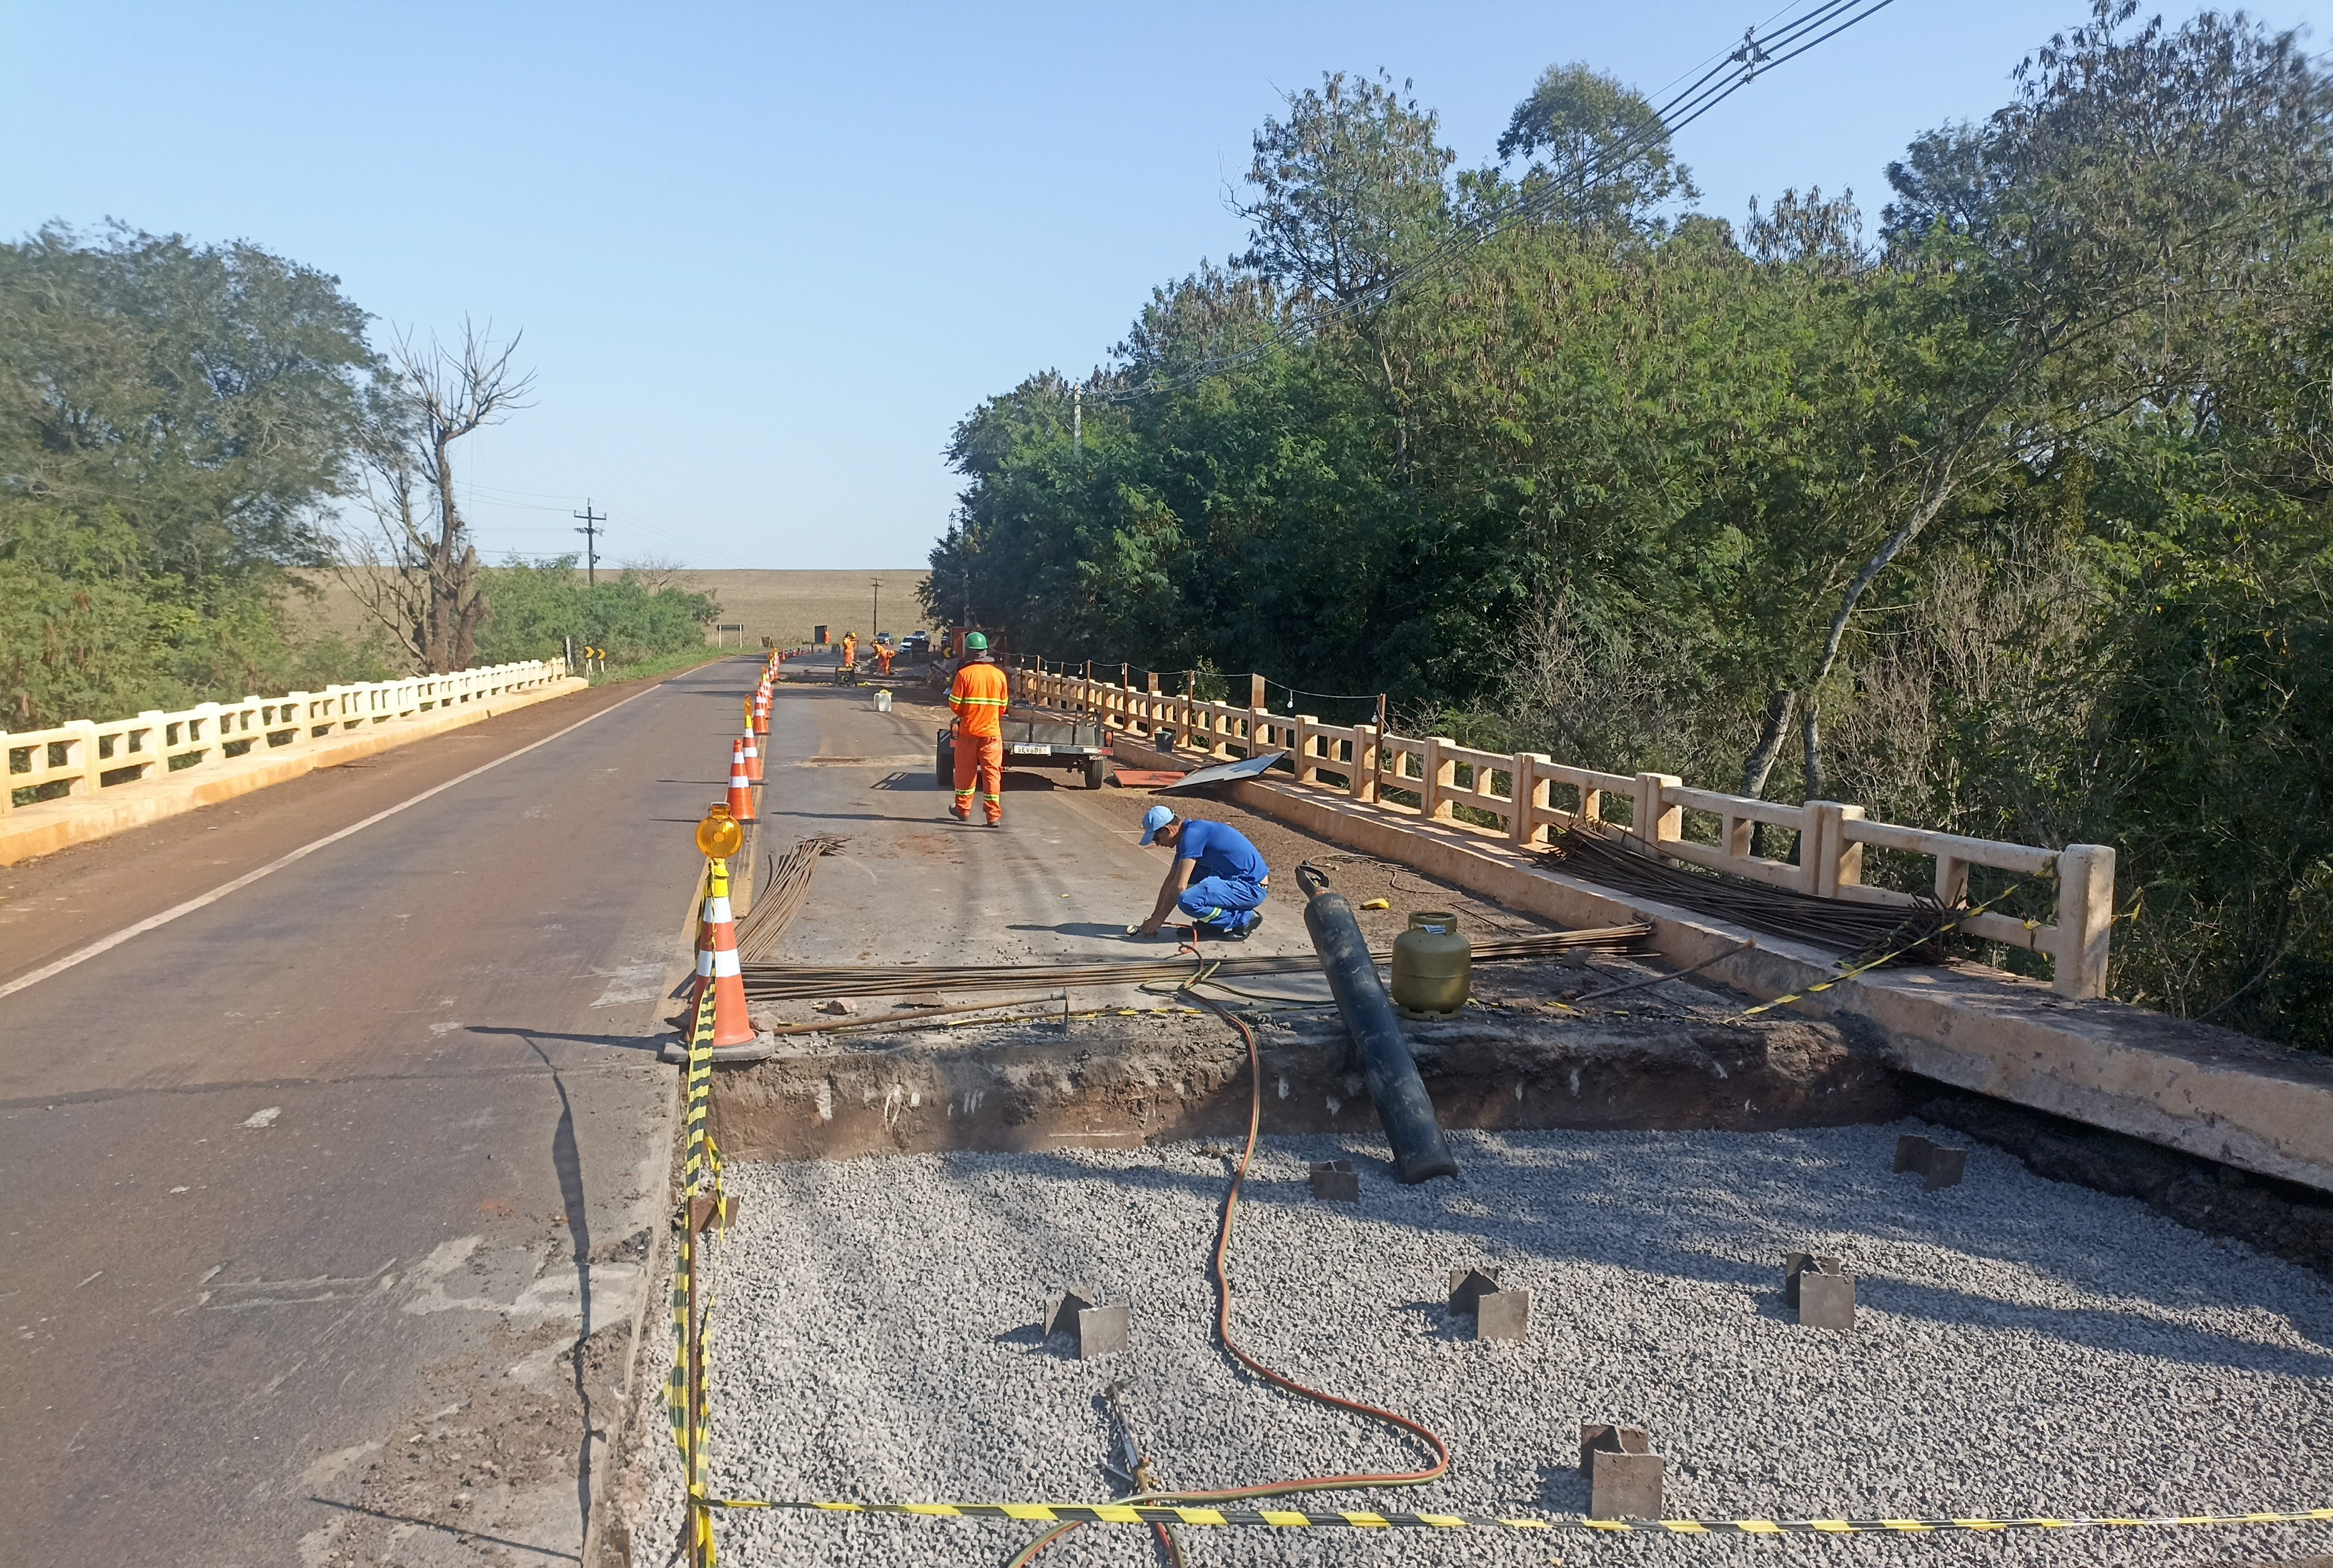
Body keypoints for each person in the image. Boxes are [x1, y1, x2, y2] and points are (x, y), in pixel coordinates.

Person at [1134, 804, 1269, 939]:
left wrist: (1159, 920)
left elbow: (1179, 887)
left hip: (1252, 888)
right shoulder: (1187, 836)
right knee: (1190, 877)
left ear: (1166, 830)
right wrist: (1154, 917)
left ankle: (1245, 919)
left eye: (1156, 839)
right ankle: (1213, 925)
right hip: (1235, 880)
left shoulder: (1193, 836)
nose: (1157, 844)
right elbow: (1171, 880)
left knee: (1187, 900)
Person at [947, 630, 1010, 825]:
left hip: (969, 733)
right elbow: (1003, 707)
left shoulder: (964, 675)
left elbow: (955, 705)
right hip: (992, 734)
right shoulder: (999, 675)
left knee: (965, 773)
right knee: (992, 774)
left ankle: (963, 810)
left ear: (968, 651)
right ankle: (993, 816)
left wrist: (968, 714)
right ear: (985, 651)